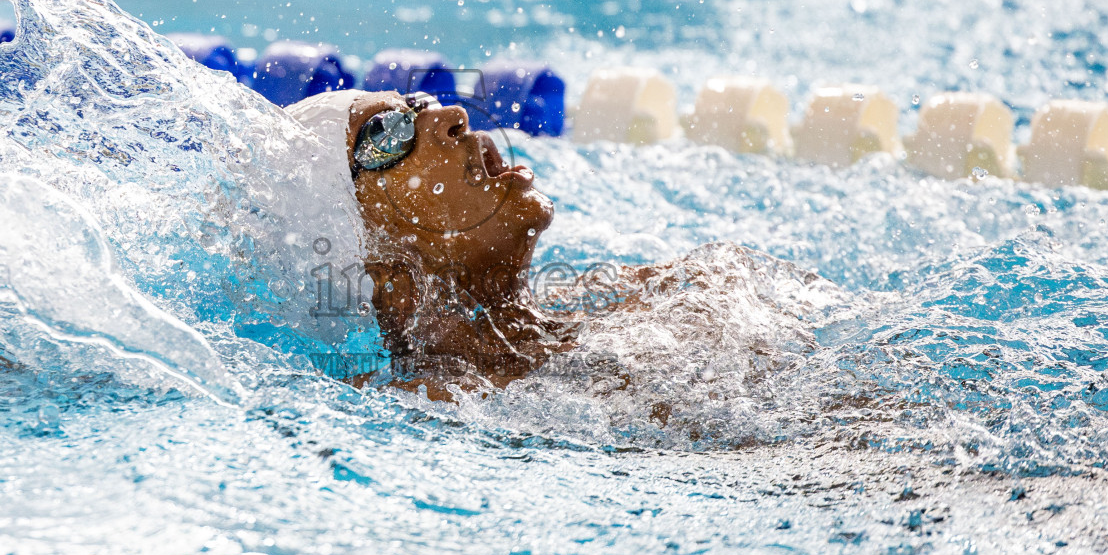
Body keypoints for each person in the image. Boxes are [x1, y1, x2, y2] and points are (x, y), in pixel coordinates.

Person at [288, 89, 831, 405]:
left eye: (419, 102)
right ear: (382, 271)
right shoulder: (439, 402)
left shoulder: (600, 294)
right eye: (385, 134)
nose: (452, 116)